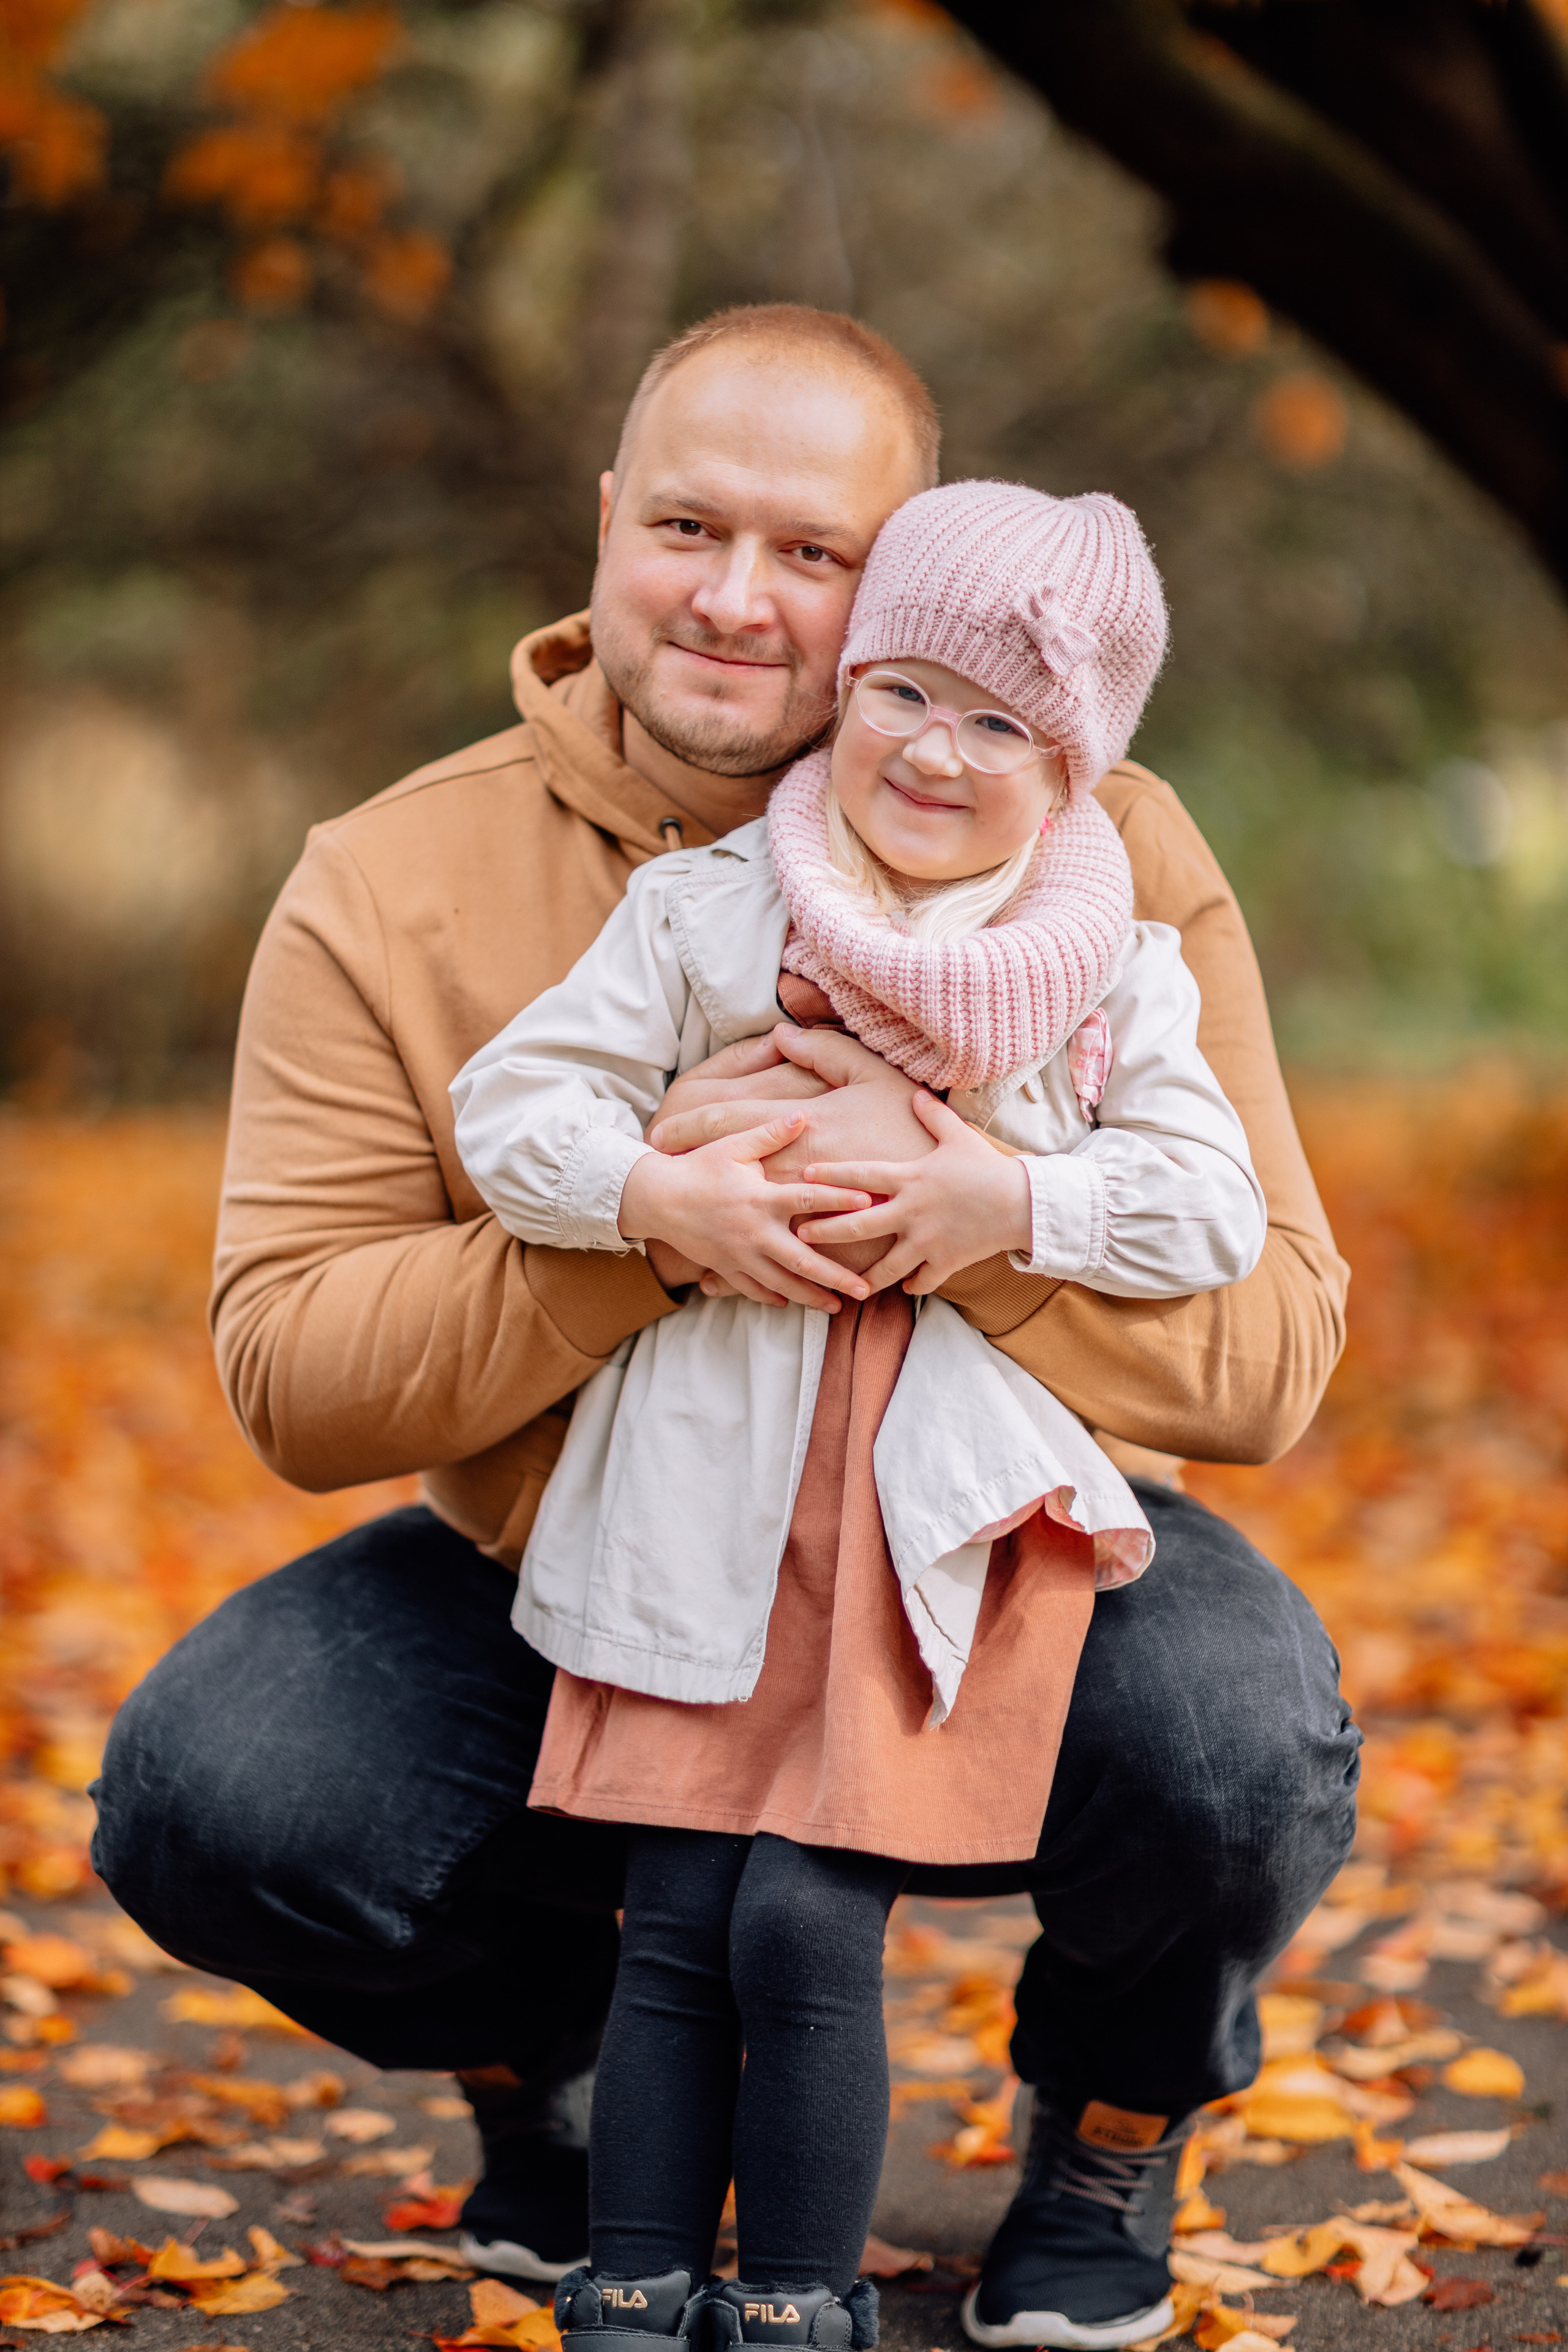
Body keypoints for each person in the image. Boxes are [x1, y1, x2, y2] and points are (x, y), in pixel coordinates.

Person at [89, 306, 1359, 2352]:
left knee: (1242, 1741)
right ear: (608, 519)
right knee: (224, 1792)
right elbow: (295, 1374)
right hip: (576, 1569)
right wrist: (658, 1230)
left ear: (906, 573)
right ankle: (555, 2072)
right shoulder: (392, 878)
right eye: (688, 525)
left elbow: (1275, 1344)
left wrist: (954, 1206)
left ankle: (1111, 2131)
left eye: (814, 551)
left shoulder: (1092, 852)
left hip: (984, 1555)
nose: (737, 599)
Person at [448, 476, 1270, 2352]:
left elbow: (1211, 1208)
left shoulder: (1106, 969)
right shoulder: (708, 913)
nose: (936, 750)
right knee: (677, 1920)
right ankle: (636, 2280)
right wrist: (657, 1197)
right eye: (903, 691)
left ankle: (803, 2300)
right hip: (706, 1487)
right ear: (849, 688)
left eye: (1001, 724)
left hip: (924, 1520)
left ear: (1073, 767)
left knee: (806, 1923)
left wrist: (1010, 1201)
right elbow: (514, 1112)